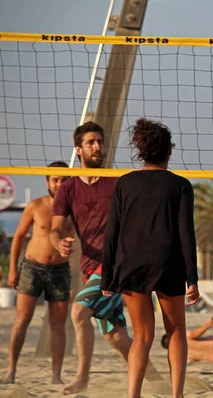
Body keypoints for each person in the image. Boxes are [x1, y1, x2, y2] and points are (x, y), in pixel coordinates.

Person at [50, 121, 159, 394]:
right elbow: (55, 228)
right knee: (116, 337)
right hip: (91, 268)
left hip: (117, 265)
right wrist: (59, 243)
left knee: (78, 312)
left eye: (100, 141)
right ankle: (157, 381)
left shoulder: (118, 182)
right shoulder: (68, 188)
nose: (98, 146)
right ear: (78, 149)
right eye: (91, 142)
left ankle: (82, 377)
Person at [101, 118, 200, 398]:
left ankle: (133, 395)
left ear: (142, 151)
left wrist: (108, 275)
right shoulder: (181, 186)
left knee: (142, 336)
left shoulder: (124, 183)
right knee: (177, 329)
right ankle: (177, 394)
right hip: (167, 262)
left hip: (131, 263)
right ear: (169, 150)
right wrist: (192, 277)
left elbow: (112, 232)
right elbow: (186, 233)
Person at [1, 162, 72, 385]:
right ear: (48, 182)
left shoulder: (75, 210)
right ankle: (10, 371)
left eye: (64, 180)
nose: (60, 184)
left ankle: (56, 376)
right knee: (22, 320)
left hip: (60, 270)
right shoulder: (36, 205)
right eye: (55, 180)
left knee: (58, 326)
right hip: (33, 268)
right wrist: (13, 268)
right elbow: (19, 238)